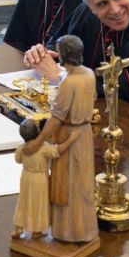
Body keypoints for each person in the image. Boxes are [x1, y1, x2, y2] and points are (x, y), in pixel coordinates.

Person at [24, 35, 98, 244]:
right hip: (84, 134)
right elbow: (92, 98)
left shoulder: (68, 80)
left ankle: (68, 233)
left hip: (68, 135)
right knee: (83, 186)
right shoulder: (89, 74)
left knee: (68, 187)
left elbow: (56, 117)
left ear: (64, 55)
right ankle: (85, 230)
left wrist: (38, 141)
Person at [11, 119, 58, 240]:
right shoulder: (44, 147)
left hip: (26, 177)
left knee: (23, 202)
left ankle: (17, 228)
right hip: (40, 178)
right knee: (39, 204)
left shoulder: (21, 147)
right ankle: (37, 230)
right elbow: (56, 152)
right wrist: (69, 141)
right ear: (38, 132)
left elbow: (17, 159)